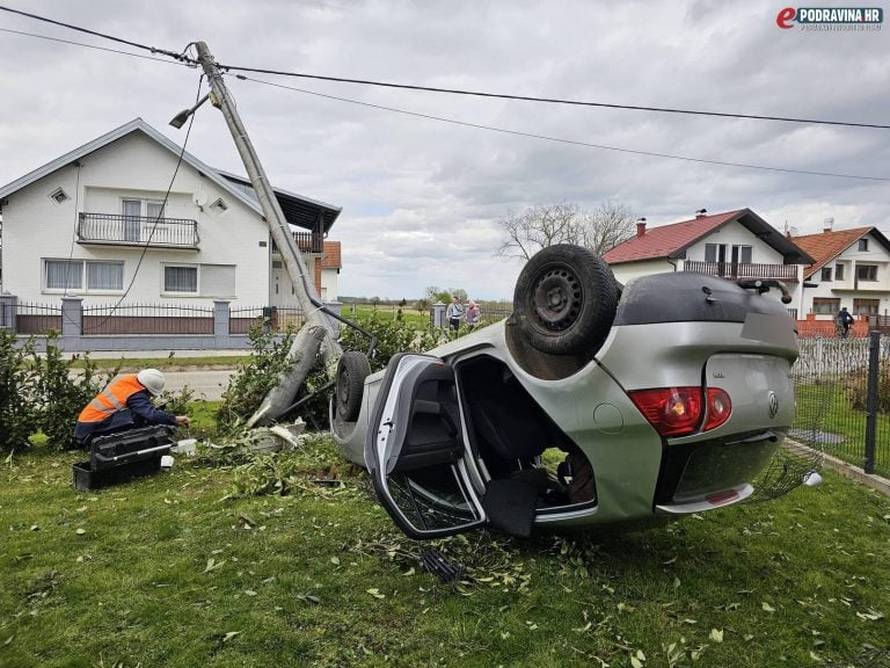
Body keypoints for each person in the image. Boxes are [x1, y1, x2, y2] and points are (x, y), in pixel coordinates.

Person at [74, 368, 189, 447]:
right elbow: (151, 415)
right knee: (137, 417)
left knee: (139, 414)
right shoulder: (135, 395)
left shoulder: (129, 380)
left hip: (86, 426)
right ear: (148, 389)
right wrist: (174, 419)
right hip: (91, 432)